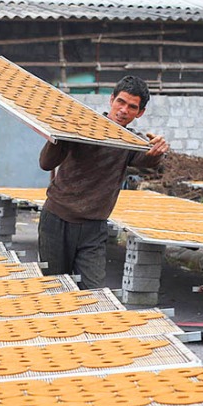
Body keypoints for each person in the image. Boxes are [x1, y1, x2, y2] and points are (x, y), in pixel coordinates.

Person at [38, 75, 169, 289]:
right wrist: (59, 133)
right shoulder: (81, 128)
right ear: (111, 100)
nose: (124, 110)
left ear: (140, 113)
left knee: (93, 292)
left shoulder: (130, 143)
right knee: (54, 289)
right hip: (57, 219)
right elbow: (46, 163)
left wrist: (156, 152)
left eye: (132, 107)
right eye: (121, 102)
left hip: (93, 227)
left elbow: (148, 161)